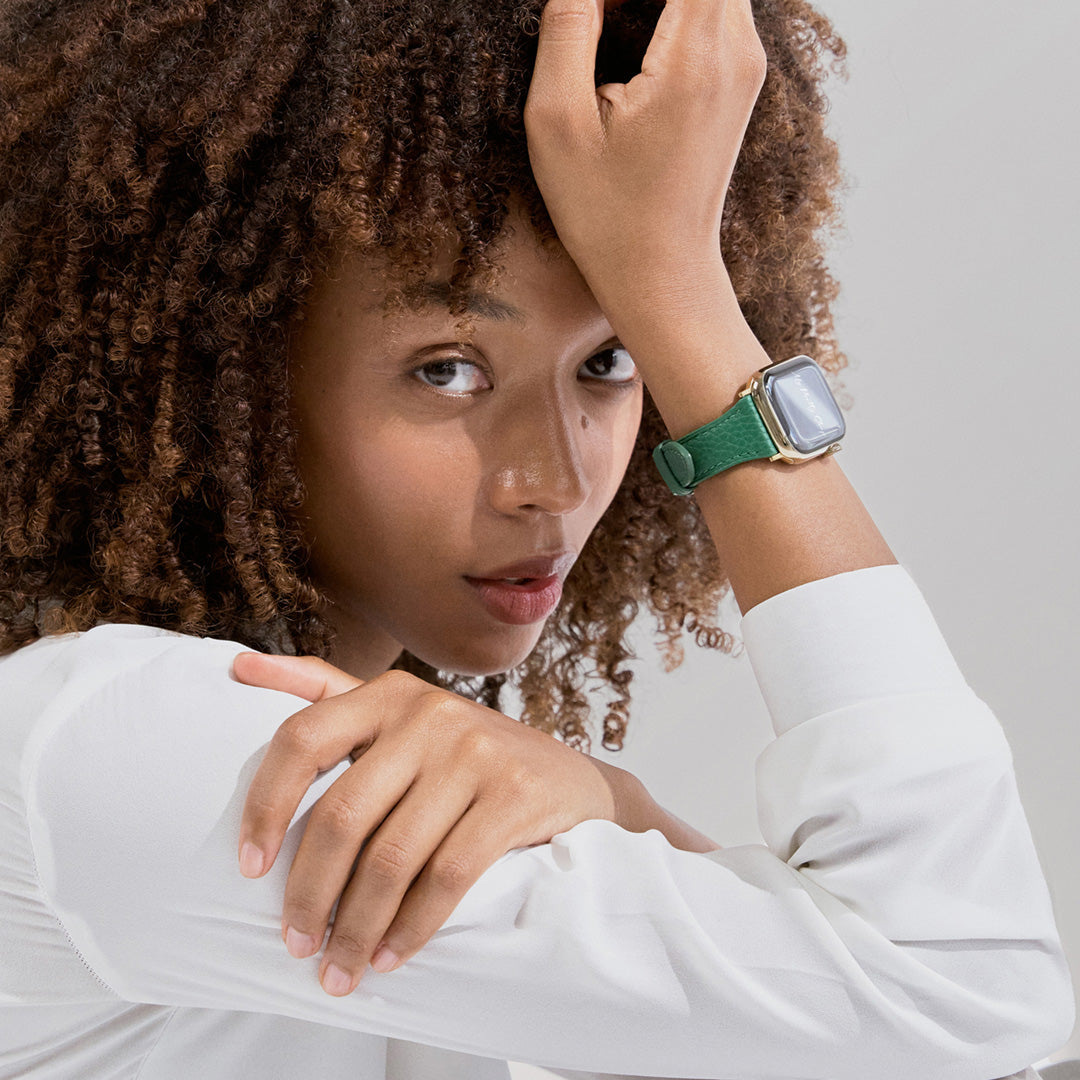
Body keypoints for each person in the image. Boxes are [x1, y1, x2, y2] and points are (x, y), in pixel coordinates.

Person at [0, 0, 1072, 1077]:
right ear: (215, 374)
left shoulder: (361, 761)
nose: (556, 482)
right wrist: (681, 293)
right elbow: (963, 993)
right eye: (447, 370)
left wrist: (618, 806)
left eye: (612, 360)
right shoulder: (124, 751)